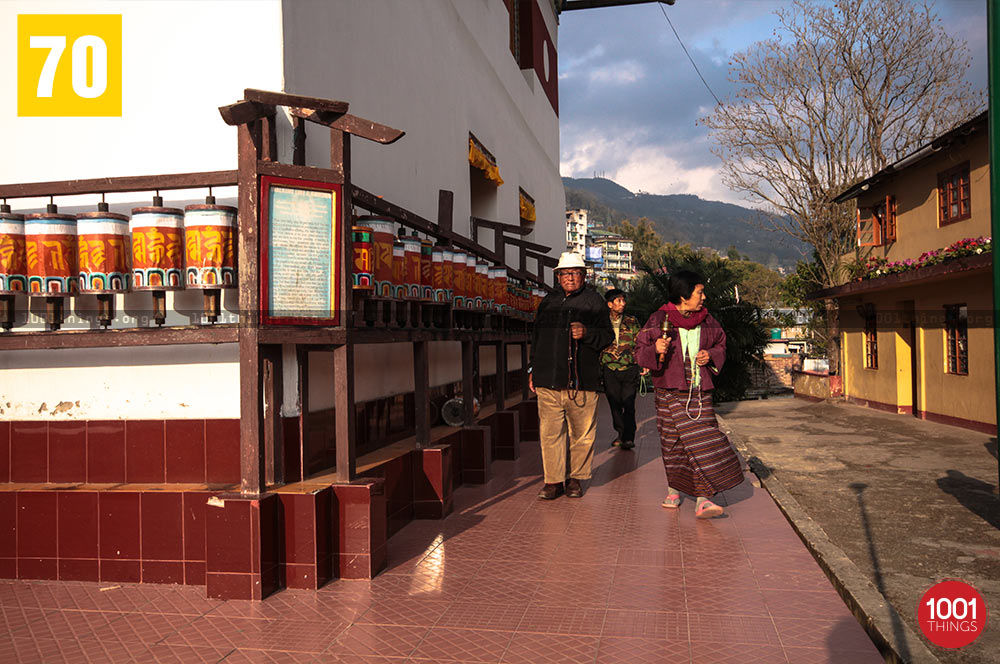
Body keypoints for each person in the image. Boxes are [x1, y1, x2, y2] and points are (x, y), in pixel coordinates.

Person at [635, 270, 744, 518]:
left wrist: (711, 356)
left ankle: (703, 499)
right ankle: (674, 489)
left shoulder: (708, 321)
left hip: (698, 392)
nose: (703, 297)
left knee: (704, 441)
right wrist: (655, 348)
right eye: (699, 292)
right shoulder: (657, 319)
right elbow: (639, 350)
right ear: (683, 296)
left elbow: (720, 344)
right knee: (672, 442)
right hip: (668, 391)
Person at [529, 252, 613, 499]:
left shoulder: (594, 301)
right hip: (548, 379)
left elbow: (607, 337)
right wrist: (532, 369)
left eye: (575, 273)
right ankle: (553, 481)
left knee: (582, 434)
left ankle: (576, 479)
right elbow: (536, 339)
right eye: (565, 273)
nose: (570, 277)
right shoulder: (548, 302)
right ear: (558, 276)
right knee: (550, 433)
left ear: (584, 276)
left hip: (582, 381)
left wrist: (587, 333)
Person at [599, 289, 644, 451]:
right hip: (609, 368)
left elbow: (641, 344)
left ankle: (628, 438)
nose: (622, 304)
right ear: (609, 304)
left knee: (629, 403)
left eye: (623, 301)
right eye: (618, 301)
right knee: (614, 403)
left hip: (629, 367)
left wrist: (643, 363)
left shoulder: (632, 321)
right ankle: (620, 433)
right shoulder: (601, 322)